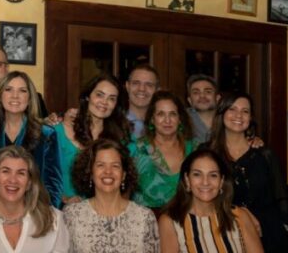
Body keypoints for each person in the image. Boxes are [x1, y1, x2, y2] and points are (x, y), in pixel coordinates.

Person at [206, 93, 288, 253]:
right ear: (221, 113)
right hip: (224, 232)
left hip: (267, 234)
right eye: (232, 109)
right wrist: (243, 214)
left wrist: (285, 229)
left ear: (250, 118)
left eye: (245, 111)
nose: (239, 115)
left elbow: (281, 198)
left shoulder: (264, 154)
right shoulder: (207, 153)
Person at [158, 149, 268, 253]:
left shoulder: (240, 216)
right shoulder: (170, 221)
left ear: (221, 181)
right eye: (197, 174)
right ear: (187, 180)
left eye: (213, 175)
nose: (205, 182)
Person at [63, 139, 159, 253]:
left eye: (115, 166)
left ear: (124, 174)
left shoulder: (145, 217)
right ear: (90, 173)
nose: (108, 171)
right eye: (100, 165)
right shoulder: (72, 215)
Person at [0, 71, 62, 208]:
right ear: (0, 95)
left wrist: (44, 212)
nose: (15, 96)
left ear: (30, 98)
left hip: (33, 208)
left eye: (22, 91)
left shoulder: (46, 134)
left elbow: (53, 182)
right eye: (8, 89)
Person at [54, 73, 131, 205]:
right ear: (87, 97)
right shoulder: (57, 132)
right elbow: (39, 176)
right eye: (99, 95)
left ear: (116, 105)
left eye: (111, 99)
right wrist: (63, 198)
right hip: (60, 209)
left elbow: (128, 184)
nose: (104, 102)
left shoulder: (121, 139)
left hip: (106, 210)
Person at [128, 91, 195, 209]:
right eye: (161, 114)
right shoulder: (136, 149)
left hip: (187, 216)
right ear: (152, 119)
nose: (167, 120)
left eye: (172, 114)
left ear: (180, 119)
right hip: (145, 218)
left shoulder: (195, 149)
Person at [123, 64, 160, 138]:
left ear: (157, 90)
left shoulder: (164, 125)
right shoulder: (114, 124)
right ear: (127, 86)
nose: (142, 89)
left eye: (149, 85)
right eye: (136, 83)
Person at [185, 74, 218, 143]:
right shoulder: (181, 120)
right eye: (196, 92)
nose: (202, 96)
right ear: (189, 100)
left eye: (208, 92)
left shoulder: (228, 120)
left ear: (217, 98)